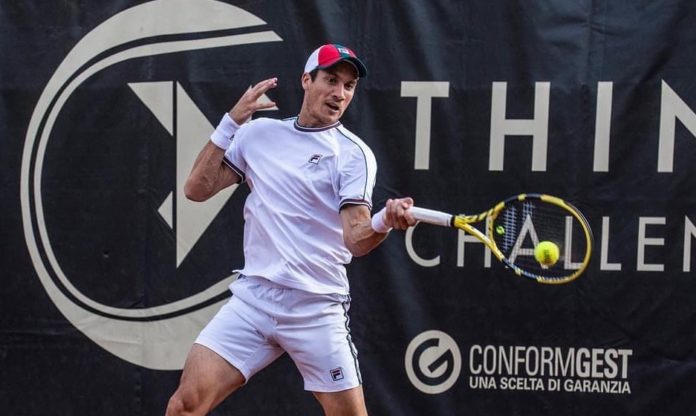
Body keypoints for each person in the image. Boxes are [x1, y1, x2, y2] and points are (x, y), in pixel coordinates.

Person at [166, 43, 415, 416]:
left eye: (348, 86)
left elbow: (357, 239)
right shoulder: (257, 135)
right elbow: (196, 189)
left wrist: (384, 221)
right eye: (331, 80)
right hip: (254, 300)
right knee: (185, 406)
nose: (339, 93)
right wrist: (231, 123)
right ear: (306, 80)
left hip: (315, 307)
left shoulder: (352, 154)